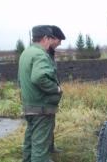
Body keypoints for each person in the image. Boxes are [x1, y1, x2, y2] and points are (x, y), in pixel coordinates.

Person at [18, 25, 63, 162]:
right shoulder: (40, 54)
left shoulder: (27, 52)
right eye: (50, 39)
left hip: (29, 104)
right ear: (45, 38)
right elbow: (38, 77)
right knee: (40, 145)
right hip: (41, 106)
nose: (51, 42)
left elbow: (20, 79)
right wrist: (56, 89)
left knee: (30, 139)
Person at [47, 25, 66, 153]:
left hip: (52, 94)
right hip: (45, 94)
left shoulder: (50, 53)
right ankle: (43, 153)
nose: (59, 44)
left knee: (50, 123)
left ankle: (50, 147)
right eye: (58, 41)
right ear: (51, 38)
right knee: (44, 125)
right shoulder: (42, 54)